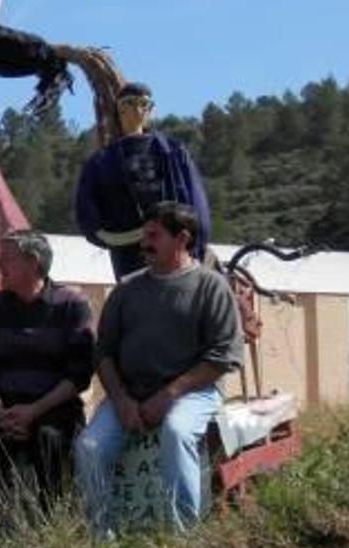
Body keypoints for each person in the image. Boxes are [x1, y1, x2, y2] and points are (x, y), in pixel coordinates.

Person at [73, 202, 243, 533]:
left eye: (154, 235)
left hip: (193, 393)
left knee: (177, 432)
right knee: (89, 448)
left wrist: (169, 395)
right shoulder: (127, 289)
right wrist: (121, 400)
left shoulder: (210, 286)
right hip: (130, 394)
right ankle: (103, 535)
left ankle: (184, 535)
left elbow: (225, 355)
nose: (144, 243)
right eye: (144, 235)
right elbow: (103, 352)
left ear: (181, 239)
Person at [0, 230, 94, 501]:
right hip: (1, 404)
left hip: (52, 406)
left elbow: (79, 375)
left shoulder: (71, 304)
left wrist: (33, 412)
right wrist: (0, 412)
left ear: (33, 262)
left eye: (7, 258)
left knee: (52, 442)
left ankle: (52, 528)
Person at [75, 82, 212, 280]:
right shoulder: (101, 162)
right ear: (119, 109)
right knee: (138, 305)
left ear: (151, 110)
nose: (138, 109)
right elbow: (87, 213)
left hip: (176, 254)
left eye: (144, 103)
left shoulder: (174, 152)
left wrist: (195, 246)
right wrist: (108, 237)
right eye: (130, 103)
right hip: (129, 257)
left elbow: (198, 206)